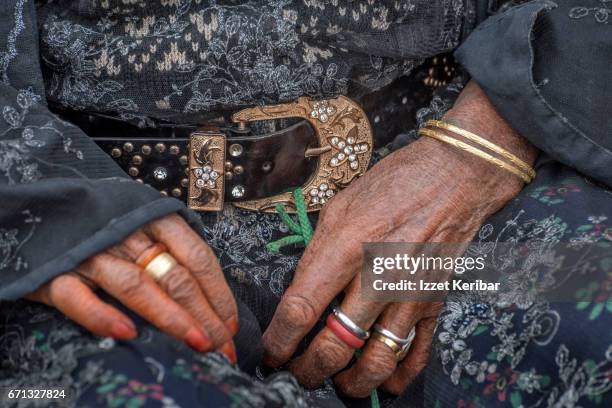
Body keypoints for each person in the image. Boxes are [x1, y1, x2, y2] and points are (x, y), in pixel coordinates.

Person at [1, 0, 610, 407]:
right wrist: (48, 207)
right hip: (94, 223)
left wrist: (485, 142)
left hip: (460, 168)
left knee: (594, 298)